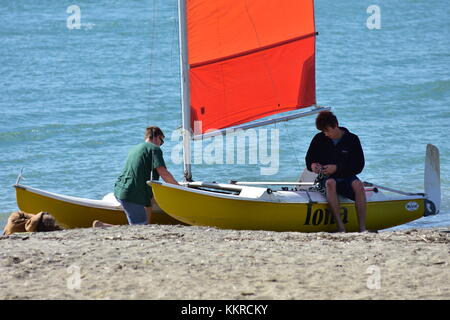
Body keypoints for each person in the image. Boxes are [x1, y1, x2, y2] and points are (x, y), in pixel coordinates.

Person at [93, 126, 179, 228]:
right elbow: (164, 174)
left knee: (145, 216)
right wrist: (178, 189)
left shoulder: (135, 148)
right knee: (138, 228)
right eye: (162, 141)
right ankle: (103, 226)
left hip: (120, 189)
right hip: (131, 195)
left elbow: (149, 200)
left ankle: (144, 224)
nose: (161, 145)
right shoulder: (154, 149)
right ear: (157, 137)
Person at [305, 111, 367, 232]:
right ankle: (340, 227)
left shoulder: (352, 139)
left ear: (335, 125)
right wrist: (312, 165)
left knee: (358, 185)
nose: (326, 134)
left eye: (327, 131)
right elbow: (309, 159)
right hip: (326, 179)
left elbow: (359, 166)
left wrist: (337, 168)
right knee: (330, 183)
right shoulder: (319, 138)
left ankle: (362, 228)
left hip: (346, 177)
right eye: (323, 131)